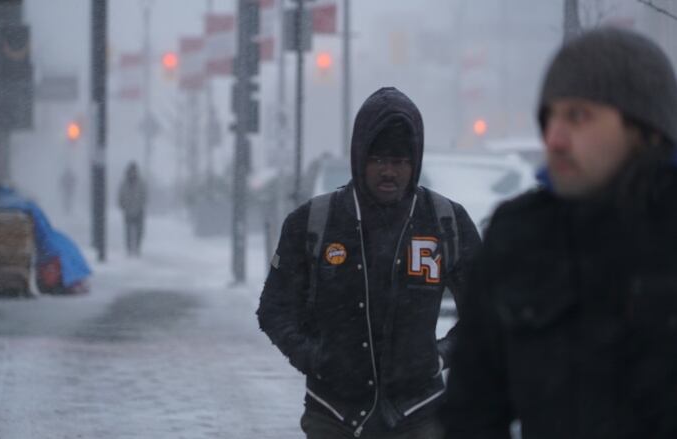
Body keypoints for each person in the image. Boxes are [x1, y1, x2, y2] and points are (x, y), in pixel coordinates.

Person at [441, 27, 677, 439]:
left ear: (646, 130)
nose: (555, 138)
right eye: (549, 117)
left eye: (578, 116)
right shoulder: (521, 237)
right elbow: (471, 410)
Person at [257, 87, 481, 438]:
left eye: (400, 161)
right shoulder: (314, 221)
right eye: (378, 160)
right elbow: (274, 309)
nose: (389, 172)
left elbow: (487, 310)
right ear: (359, 157)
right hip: (333, 414)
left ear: (415, 162)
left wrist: (439, 357)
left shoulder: (445, 221)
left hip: (419, 414)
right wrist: (315, 358)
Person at [118, 162, 147, 256]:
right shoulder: (124, 183)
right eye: (131, 171)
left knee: (139, 231)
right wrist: (122, 205)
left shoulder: (141, 182)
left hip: (139, 210)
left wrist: (141, 204)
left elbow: (144, 195)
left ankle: (137, 248)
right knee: (128, 231)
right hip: (127, 210)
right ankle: (129, 249)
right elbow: (120, 195)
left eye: (134, 171)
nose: (132, 173)